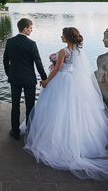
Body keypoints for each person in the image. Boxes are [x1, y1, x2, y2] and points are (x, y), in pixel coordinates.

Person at [24, 27, 108, 180]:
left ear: (67, 37)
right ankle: (81, 141)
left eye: (62, 35)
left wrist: (46, 81)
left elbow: (57, 69)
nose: (61, 36)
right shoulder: (78, 51)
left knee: (57, 110)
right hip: (74, 82)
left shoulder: (63, 51)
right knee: (75, 110)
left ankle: (58, 141)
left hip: (62, 81)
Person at [3, 18, 47, 140]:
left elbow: (5, 61)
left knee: (15, 105)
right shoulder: (31, 44)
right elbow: (38, 63)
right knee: (30, 106)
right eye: (30, 28)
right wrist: (45, 78)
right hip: (29, 80)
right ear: (25, 29)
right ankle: (30, 131)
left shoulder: (10, 42)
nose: (31, 30)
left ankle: (15, 131)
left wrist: (9, 74)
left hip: (15, 78)